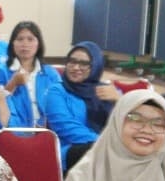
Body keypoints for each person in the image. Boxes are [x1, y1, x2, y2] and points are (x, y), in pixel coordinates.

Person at [42, 42, 120, 170]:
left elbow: (127, 122)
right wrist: (104, 143)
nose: (76, 67)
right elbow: (66, 128)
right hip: (70, 152)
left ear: (95, 66)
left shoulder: (106, 90)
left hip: (105, 150)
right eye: (72, 61)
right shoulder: (57, 91)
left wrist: (119, 101)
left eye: (84, 63)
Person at [3, 21, 61, 128]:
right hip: (15, 129)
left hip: (47, 129)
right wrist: (13, 84)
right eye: (20, 39)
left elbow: (60, 104)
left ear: (38, 44)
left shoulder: (50, 73)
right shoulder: (2, 71)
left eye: (30, 39)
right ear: (12, 44)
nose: (25, 44)